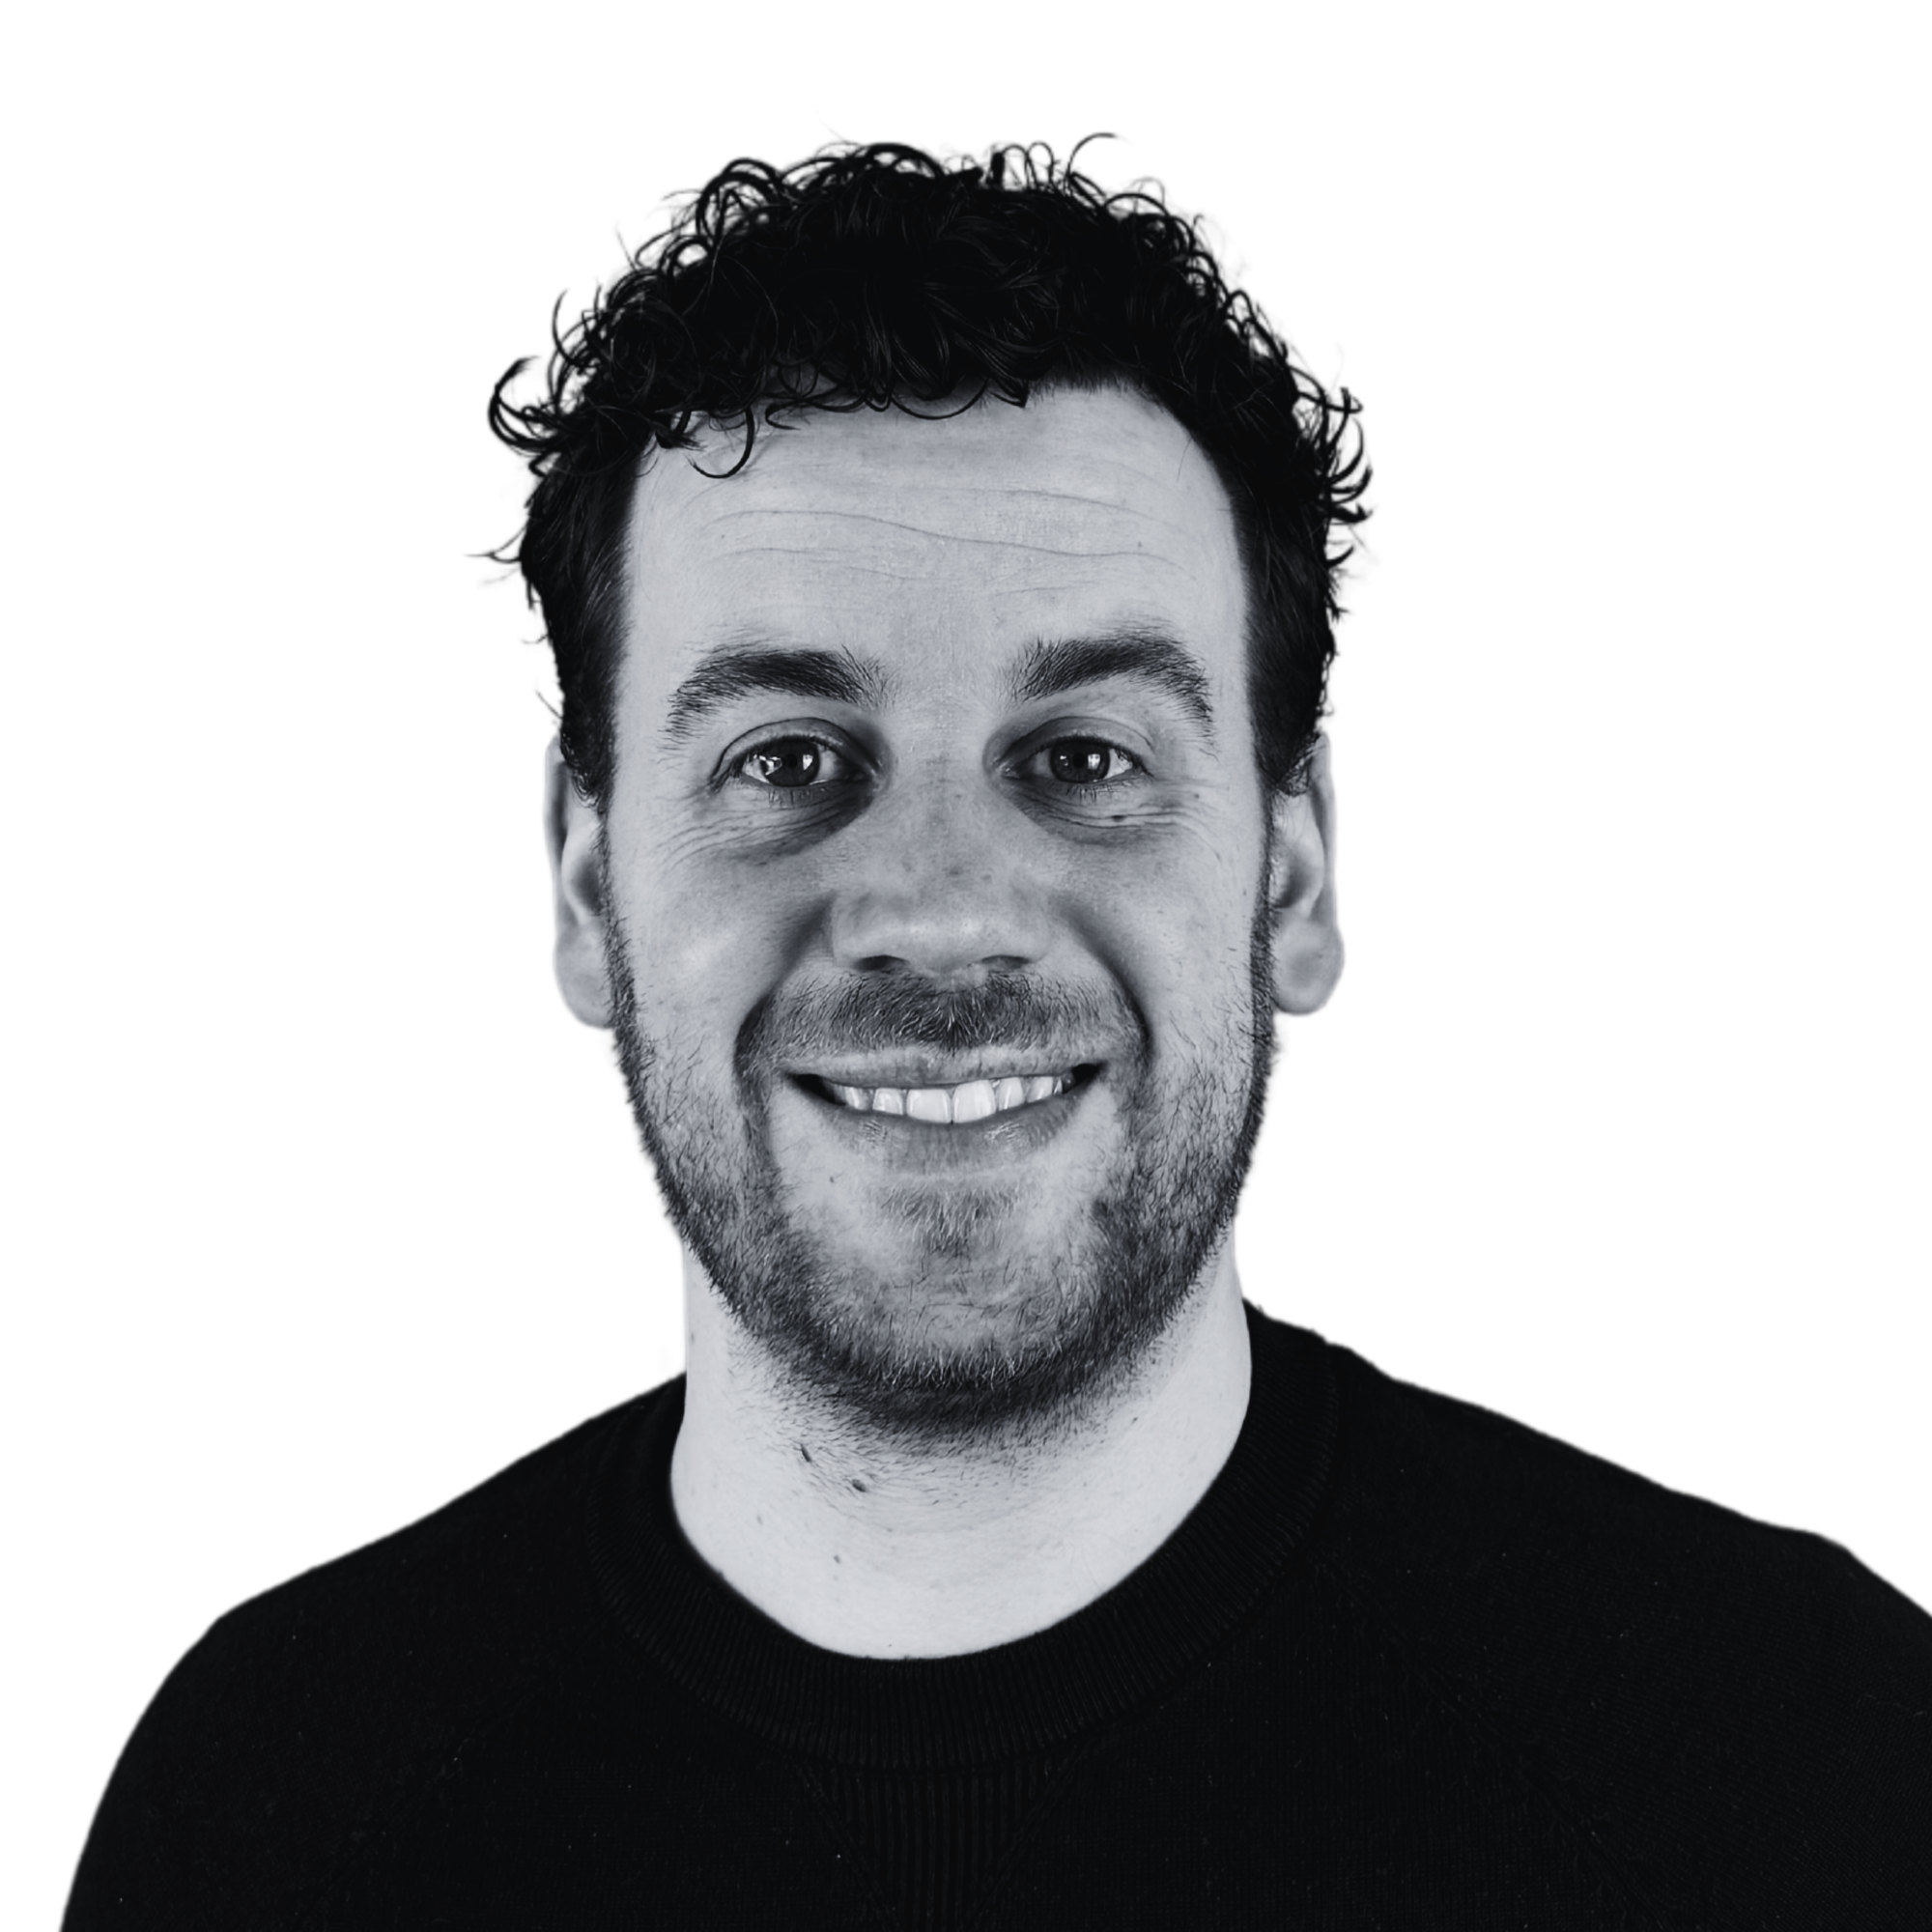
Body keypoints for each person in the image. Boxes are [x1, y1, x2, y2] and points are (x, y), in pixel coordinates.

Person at [63, 135, 1927, 1929]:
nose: (944, 909)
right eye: (788, 760)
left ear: (1298, 874)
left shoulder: (1804, 1760)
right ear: (579, 886)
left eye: (1086, 758)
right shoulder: (265, 1812)